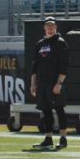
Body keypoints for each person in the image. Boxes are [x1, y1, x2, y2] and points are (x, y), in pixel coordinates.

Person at [29, 17, 69, 149]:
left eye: (52, 26)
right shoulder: (40, 44)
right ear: (44, 28)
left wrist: (59, 83)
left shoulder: (60, 42)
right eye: (48, 26)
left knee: (59, 109)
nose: (50, 28)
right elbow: (35, 65)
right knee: (46, 111)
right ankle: (48, 138)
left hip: (55, 82)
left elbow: (64, 65)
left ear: (56, 27)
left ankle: (63, 138)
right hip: (42, 83)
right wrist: (33, 83)